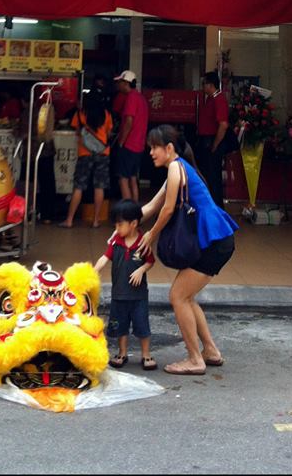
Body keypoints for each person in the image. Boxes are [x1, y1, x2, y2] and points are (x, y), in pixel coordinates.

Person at [137, 124, 237, 376]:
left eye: (154, 147)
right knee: (186, 297)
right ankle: (210, 351)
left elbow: (168, 209)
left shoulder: (175, 168)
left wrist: (151, 234)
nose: (150, 152)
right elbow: (150, 207)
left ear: (169, 148)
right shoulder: (178, 168)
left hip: (214, 242)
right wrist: (124, 223)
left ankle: (195, 359)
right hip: (218, 240)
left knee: (178, 296)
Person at [94, 199, 157, 370]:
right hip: (119, 294)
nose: (117, 229)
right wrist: (95, 270)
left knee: (142, 325)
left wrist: (141, 270)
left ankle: (146, 354)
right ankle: (122, 353)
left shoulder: (142, 243)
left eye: (120, 225)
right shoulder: (116, 243)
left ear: (133, 224)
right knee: (120, 326)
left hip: (138, 297)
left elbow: (151, 261)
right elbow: (104, 258)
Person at [59, 93, 113, 229]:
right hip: (102, 153)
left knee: (78, 187)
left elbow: (77, 131)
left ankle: (69, 220)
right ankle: (95, 220)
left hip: (85, 153)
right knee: (99, 187)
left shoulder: (80, 114)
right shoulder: (106, 114)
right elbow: (108, 133)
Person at [196, 71, 232, 208]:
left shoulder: (219, 99)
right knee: (206, 174)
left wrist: (215, 144)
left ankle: (216, 207)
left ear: (211, 85)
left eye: (204, 84)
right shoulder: (210, 99)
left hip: (212, 141)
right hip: (205, 140)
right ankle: (208, 205)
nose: (203, 87)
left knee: (213, 177)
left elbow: (223, 124)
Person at [113, 70, 149, 204]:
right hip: (139, 145)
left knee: (123, 178)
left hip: (129, 144)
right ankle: (135, 210)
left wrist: (121, 141)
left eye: (120, 82)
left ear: (125, 83)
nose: (118, 85)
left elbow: (129, 121)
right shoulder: (141, 98)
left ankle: (127, 212)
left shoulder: (131, 98)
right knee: (133, 178)